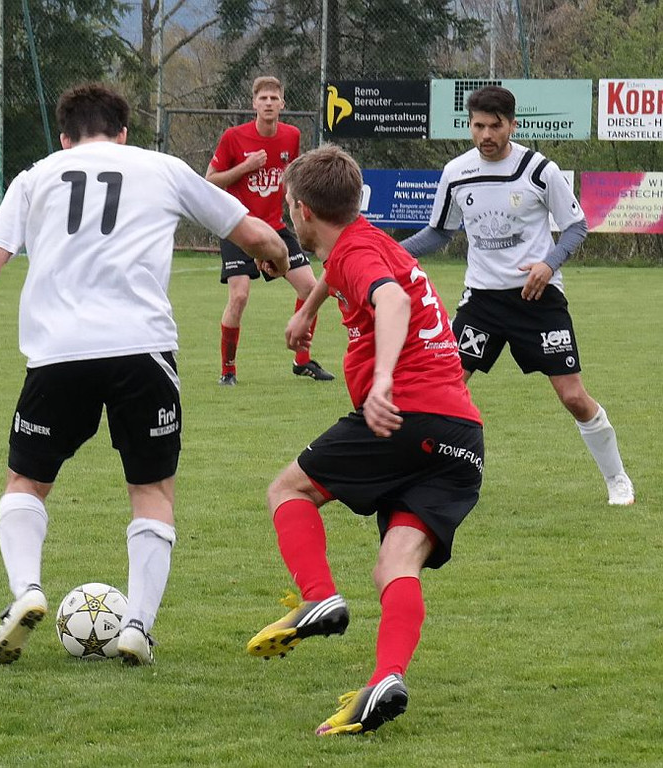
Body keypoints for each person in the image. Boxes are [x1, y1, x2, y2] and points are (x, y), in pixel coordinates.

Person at [0, 82, 289, 667]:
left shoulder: (36, 176)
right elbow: (259, 236)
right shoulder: (161, 168)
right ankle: (137, 624)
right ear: (123, 133)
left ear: (65, 138)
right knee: (151, 490)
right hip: (142, 351)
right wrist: (277, 259)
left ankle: (27, 590)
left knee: (25, 482)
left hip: (58, 354)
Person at [246, 144, 484, 736]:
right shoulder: (367, 240)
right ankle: (386, 679)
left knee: (288, 490)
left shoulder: (356, 252)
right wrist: (309, 308)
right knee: (395, 564)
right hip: (461, 435)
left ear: (302, 211)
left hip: (405, 415)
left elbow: (391, 298)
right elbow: (342, 272)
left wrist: (381, 382)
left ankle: (318, 595)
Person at [401, 85, 634, 506]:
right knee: (445, 388)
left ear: (512, 125)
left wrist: (548, 264)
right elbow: (438, 233)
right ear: (469, 125)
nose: (486, 135)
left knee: (572, 396)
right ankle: (426, 478)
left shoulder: (539, 169)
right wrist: (388, 252)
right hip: (482, 302)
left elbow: (576, 227)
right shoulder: (456, 172)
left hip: (537, 299)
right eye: (478, 126)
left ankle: (617, 478)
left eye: (495, 126)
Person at [205, 75, 334, 385]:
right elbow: (210, 180)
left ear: (282, 104)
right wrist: (245, 167)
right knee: (239, 297)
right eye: (263, 98)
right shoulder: (234, 137)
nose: (268, 103)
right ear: (254, 104)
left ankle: (302, 361)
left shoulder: (291, 136)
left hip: (275, 228)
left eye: (274, 98)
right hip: (239, 226)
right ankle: (228, 370)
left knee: (311, 288)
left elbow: (291, 180)